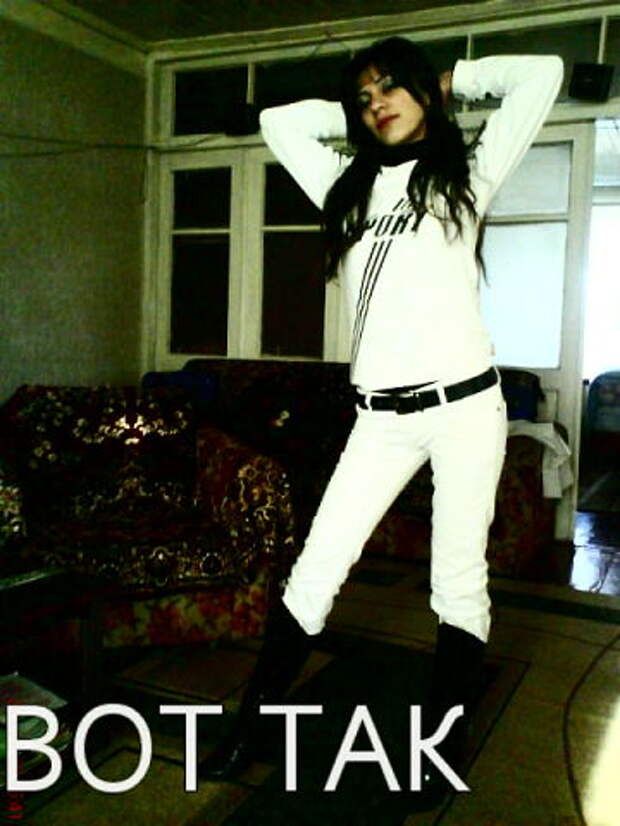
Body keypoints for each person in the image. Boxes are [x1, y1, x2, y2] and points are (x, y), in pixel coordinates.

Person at [199, 37, 563, 801]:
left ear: (423, 93)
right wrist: (361, 108)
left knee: (457, 581)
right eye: (365, 97)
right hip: (379, 419)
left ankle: (441, 742)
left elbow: (544, 75)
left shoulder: (466, 177)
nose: (377, 105)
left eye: (390, 88)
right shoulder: (347, 187)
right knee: (315, 570)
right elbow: (280, 125)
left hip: (465, 409)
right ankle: (250, 727)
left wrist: (447, 81)